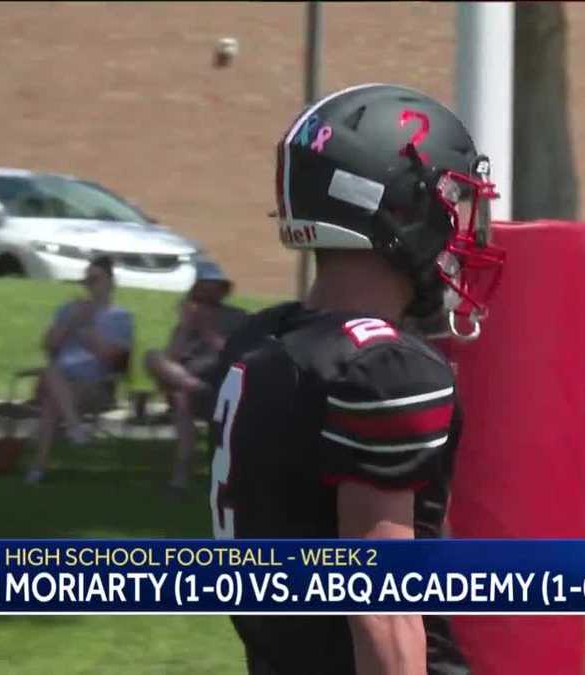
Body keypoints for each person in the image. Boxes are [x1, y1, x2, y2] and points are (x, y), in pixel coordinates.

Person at [207, 84, 505, 675]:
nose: (458, 227)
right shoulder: (380, 369)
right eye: (448, 202)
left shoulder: (261, 341)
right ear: (400, 210)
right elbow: (380, 604)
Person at [25, 255, 134, 484]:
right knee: (53, 374)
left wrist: (86, 329)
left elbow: (114, 361)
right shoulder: (69, 309)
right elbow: (48, 345)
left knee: (52, 397)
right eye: (87, 280)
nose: (90, 285)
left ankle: (38, 468)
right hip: (62, 382)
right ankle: (74, 427)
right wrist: (69, 322)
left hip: (96, 386)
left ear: (111, 282)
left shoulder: (121, 317)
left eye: (95, 279)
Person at [144, 260, 247, 492]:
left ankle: (179, 480)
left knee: (181, 400)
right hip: (190, 382)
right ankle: (191, 386)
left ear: (222, 290)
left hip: (219, 383)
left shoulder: (236, 317)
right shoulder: (187, 319)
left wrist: (205, 331)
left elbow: (236, 356)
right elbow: (170, 359)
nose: (208, 293)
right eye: (204, 287)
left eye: (214, 287)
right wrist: (185, 326)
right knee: (152, 357)